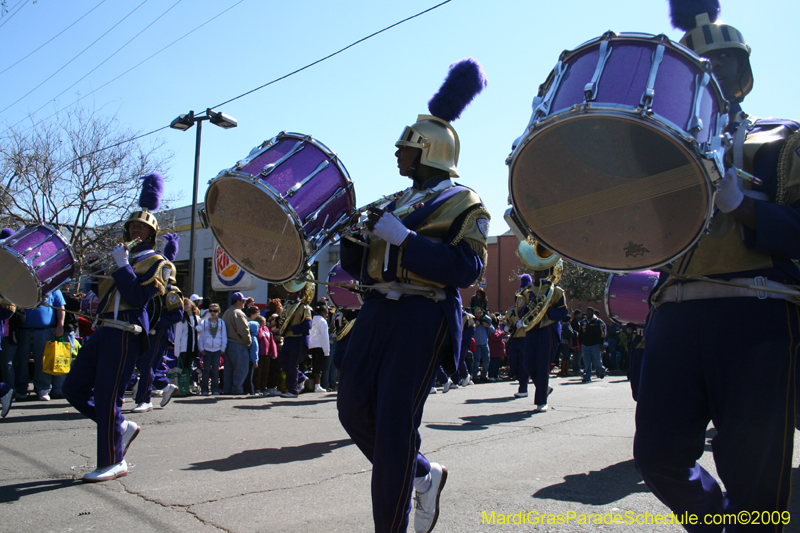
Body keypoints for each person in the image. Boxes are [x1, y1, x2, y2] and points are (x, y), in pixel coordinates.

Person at [634, 3, 800, 527]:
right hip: (675, 312)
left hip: (757, 310)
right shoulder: (659, 151)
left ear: (744, 72)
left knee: (755, 475)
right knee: (657, 456)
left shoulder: (784, 137)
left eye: (724, 58)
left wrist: (742, 206)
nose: (711, 66)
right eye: (698, 61)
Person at [337, 58, 489, 533]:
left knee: (393, 428)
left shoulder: (465, 202)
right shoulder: (395, 201)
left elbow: (467, 269)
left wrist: (405, 240)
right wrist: (354, 241)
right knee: (351, 408)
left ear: (427, 151)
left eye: (405, 146)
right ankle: (423, 474)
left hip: (422, 315)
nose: (397, 153)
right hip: (377, 310)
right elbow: (361, 267)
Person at [63, 172, 174, 482]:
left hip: (126, 330)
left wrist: (123, 266)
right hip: (104, 329)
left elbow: (138, 297)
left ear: (152, 233)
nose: (135, 230)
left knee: (107, 395)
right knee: (73, 388)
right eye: (132, 226)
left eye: (141, 227)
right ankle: (120, 427)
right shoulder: (121, 257)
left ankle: (113, 461)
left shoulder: (159, 263)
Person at [130, 232, 183, 413]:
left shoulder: (171, 291)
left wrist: (156, 323)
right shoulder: (150, 287)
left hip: (158, 333)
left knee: (147, 365)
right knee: (142, 363)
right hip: (146, 330)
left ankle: (144, 400)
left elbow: (177, 315)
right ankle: (165, 386)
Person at [518, 262, 567, 412]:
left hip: (548, 329)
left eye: (540, 272)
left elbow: (563, 313)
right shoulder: (527, 292)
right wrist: (529, 307)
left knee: (542, 365)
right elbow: (520, 312)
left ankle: (541, 401)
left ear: (547, 273)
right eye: (535, 271)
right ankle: (544, 387)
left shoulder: (556, 291)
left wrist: (546, 311)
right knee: (528, 363)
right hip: (532, 329)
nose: (537, 274)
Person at [14, 288, 66, 401]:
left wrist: (60, 325)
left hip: (45, 330)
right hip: (22, 330)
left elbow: (60, 307)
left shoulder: (52, 286)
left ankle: (43, 389)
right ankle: (21, 389)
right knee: (21, 361)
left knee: (43, 361)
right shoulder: (23, 285)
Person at [275, 282, 313, 399]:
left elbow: (308, 325)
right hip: (288, 338)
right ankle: (301, 378)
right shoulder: (286, 306)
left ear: (298, 293)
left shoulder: (304, 307)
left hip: (298, 339)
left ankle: (292, 390)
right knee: (282, 361)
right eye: (288, 292)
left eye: (291, 293)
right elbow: (281, 321)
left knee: (292, 364)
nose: (288, 294)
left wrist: (291, 328)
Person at [221, 292, 251, 395]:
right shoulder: (238, 313)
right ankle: (237, 389)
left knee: (228, 369)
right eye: (243, 301)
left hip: (228, 344)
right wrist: (248, 342)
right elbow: (243, 330)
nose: (244, 303)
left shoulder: (226, 312)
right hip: (238, 344)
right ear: (238, 301)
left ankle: (227, 389)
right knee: (241, 369)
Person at [197, 303, 226, 395]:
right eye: (211, 311)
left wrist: (223, 347)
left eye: (215, 311)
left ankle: (215, 389)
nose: (213, 313)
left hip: (217, 349)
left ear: (218, 312)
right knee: (206, 370)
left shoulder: (221, 323)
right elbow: (201, 336)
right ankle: (204, 389)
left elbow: (224, 336)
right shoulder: (204, 322)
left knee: (215, 370)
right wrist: (201, 348)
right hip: (207, 349)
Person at [308, 303, 330, 393]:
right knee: (318, 367)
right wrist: (326, 351)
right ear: (323, 312)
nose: (327, 315)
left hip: (311, 345)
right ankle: (317, 385)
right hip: (319, 346)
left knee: (312, 365)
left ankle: (311, 384)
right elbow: (324, 337)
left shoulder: (312, 319)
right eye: (326, 313)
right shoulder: (323, 321)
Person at [470, 307, 493, 382]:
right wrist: (474, 326)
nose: (478, 315)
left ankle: (484, 376)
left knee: (486, 360)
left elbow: (493, 330)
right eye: (477, 313)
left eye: (480, 313)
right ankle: (474, 376)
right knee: (476, 361)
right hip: (476, 344)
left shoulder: (485, 320)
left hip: (484, 343)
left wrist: (488, 326)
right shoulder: (472, 321)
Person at [244, 306, 260, 395]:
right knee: (250, 376)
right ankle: (251, 391)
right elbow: (254, 351)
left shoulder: (249, 337)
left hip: (246, 358)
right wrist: (255, 361)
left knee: (246, 375)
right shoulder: (254, 339)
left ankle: (246, 390)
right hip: (251, 360)